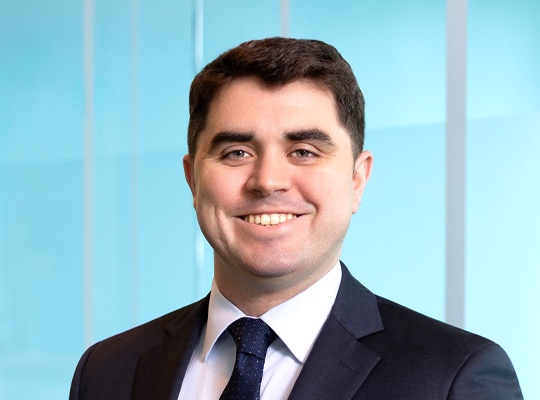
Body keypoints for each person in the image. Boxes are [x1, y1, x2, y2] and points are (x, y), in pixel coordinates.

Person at [69, 37, 523, 399]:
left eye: (304, 151)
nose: (268, 181)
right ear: (193, 180)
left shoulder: (453, 378)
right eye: (237, 152)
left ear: (357, 179)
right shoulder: (107, 371)